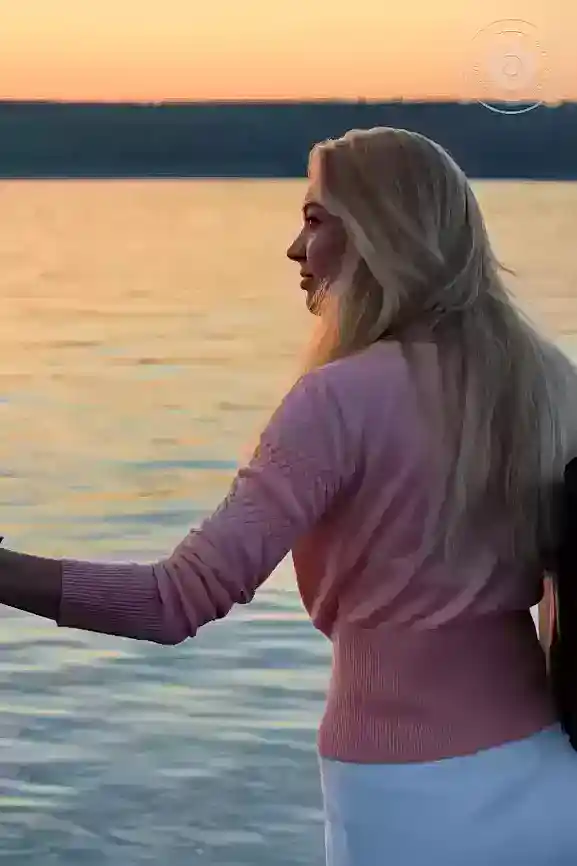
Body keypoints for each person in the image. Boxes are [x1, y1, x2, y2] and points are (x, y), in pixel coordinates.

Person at [1, 126, 577, 865]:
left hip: (407, 796)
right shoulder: (548, 382)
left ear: (378, 235)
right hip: (548, 771)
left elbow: (173, 601)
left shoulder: (338, 400)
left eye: (314, 220)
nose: (295, 249)